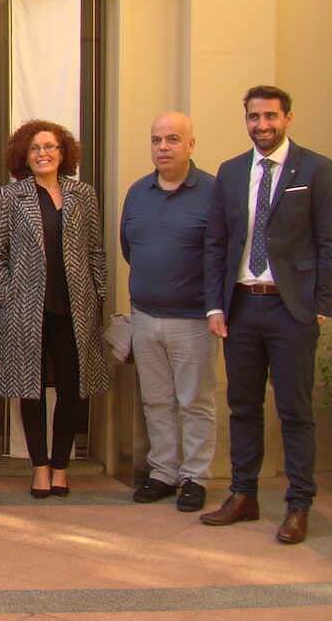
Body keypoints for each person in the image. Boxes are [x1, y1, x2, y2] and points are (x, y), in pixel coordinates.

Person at [200, 86, 332, 545]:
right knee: (243, 406)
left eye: (270, 116)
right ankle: (243, 495)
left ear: (287, 118)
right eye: (254, 117)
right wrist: (215, 305)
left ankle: (299, 504)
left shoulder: (316, 169)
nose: (261, 125)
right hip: (241, 307)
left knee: (294, 410)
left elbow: (331, 241)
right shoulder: (231, 172)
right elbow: (217, 243)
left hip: (291, 309)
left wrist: (321, 305)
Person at [0, 120, 107, 499]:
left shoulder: (83, 195)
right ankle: (39, 465)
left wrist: (97, 296)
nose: (43, 154)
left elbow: (96, 251)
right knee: (30, 389)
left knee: (72, 389)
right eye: (35, 148)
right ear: (24, 155)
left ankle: (61, 465)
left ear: (63, 152)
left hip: (74, 310)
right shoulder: (10, 196)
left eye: (50, 147)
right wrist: (7, 295)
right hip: (25, 310)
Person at [120, 112, 217, 512]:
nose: (163, 147)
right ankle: (163, 471)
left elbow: (223, 255)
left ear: (191, 145)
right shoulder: (138, 192)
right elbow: (129, 247)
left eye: (173, 139)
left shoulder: (213, 192)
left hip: (194, 320)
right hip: (145, 317)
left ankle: (195, 476)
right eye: (157, 140)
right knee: (156, 400)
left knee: (194, 402)